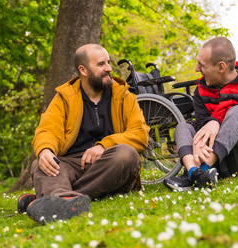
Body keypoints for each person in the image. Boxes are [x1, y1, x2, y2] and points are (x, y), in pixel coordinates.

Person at [17, 44, 149, 225]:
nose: (109, 68)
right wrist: (46, 151)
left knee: (127, 154)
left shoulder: (125, 96)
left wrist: (104, 145)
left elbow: (140, 134)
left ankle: (55, 197)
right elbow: (47, 129)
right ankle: (62, 200)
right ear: (83, 70)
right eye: (101, 64)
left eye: (108, 63)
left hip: (109, 163)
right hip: (72, 164)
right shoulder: (65, 96)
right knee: (42, 163)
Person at [164, 37, 238, 191]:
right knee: (183, 127)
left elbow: (234, 123)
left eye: (202, 65)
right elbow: (201, 126)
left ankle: (202, 171)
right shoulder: (200, 89)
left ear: (221, 67)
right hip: (217, 162)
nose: (196, 68)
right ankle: (194, 172)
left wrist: (214, 122)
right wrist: (209, 124)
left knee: (237, 111)